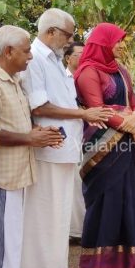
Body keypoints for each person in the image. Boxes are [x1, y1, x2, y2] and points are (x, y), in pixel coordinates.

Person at [20, 9, 113, 268]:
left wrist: (82, 115)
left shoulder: (56, 60)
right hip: (48, 149)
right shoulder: (34, 59)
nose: (71, 40)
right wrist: (83, 113)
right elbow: (40, 107)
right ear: (50, 32)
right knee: (45, 216)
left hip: (64, 149)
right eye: (68, 34)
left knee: (60, 216)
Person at [0, 25, 64, 268]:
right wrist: (30, 138)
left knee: (11, 235)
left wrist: (37, 132)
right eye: (26, 50)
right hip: (1, 174)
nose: (31, 56)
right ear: (8, 52)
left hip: (18, 170)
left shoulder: (12, 78)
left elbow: (17, 123)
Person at [75, 22, 135, 268]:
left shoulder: (122, 71)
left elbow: (134, 102)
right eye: (117, 41)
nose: (121, 45)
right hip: (101, 144)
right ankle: (101, 267)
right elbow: (97, 109)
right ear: (104, 43)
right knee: (105, 199)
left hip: (125, 142)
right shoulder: (88, 72)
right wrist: (128, 124)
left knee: (127, 197)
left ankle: (125, 263)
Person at [64, 41, 86, 242]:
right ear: (68, 58)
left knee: (80, 183)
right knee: (72, 184)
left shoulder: (85, 78)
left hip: (83, 135)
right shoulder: (65, 78)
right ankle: (74, 231)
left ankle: (79, 229)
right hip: (69, 137)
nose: (83, 56)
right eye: (79, 53)